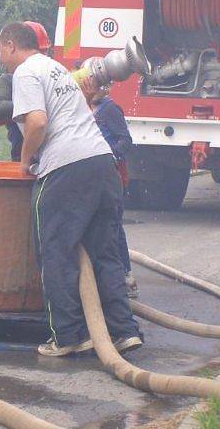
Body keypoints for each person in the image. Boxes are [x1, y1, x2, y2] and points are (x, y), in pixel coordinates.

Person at [0, 22, 142, 357]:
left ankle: (67, 335)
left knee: (56, 253)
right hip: (102, 164)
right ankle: (123, 331)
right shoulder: (58, 70)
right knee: (105, 253)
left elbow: (37, 122)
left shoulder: (25, 72)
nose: (2, 60)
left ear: (9, 45)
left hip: (66, 168)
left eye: (1, 52)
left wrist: (25, 160)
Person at [88, 83, 139, 299]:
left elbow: (125, 141)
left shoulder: (109, 109)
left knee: (113, 227)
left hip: (113, 176)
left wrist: (107, 154)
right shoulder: (85, 107)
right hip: (91, 177)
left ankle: (125, 277)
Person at [0, 21, 51, 161]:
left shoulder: (49, 75)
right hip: (23, 156)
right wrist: (33, 104)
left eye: (44, 52)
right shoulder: (9, 80)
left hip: (50, 156)